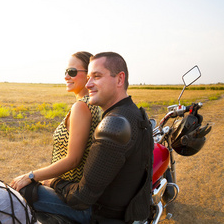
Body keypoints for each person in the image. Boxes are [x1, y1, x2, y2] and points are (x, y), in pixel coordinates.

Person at [50, 52, 153, 223]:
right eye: (89, 77)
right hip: (127, 212)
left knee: (25, 194)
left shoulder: (115, 125)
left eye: (96, 77)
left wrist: (53, 182)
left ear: (120, 79)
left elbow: (81, 198)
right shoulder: (134, 112)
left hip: (102, 216)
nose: (89, 84)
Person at [10, 51, 102, 224]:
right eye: (66, 71)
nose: (67, 76)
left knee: (13, 195)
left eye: (73, 72)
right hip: (66, 187)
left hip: (71, 195)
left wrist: (31, 176)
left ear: (88, 74)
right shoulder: (92, 104)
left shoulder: (81, 107)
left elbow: (73, 160)